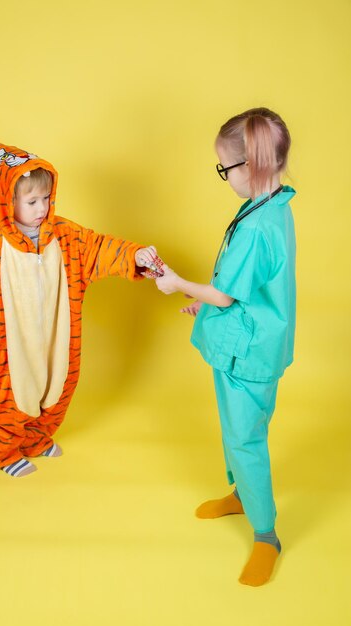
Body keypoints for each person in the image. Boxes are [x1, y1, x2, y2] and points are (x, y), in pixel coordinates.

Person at [0, 143, 158, 478]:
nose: (41, 208)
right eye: (31, 202)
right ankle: (0, 451)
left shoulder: (65, 236)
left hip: (57, 333)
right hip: (10, 342)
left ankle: (35, 439)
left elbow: (99, 249)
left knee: (56, 387)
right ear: (7, 202)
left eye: (46, 199)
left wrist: (134, 256)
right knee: (4, 396)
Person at [155, 108, 296, 586]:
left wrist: (178, 285)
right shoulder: (270, 204)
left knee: (244, 437)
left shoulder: (258, 225)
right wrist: (210, 309)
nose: (225, 177)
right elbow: (245, 285)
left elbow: (225, 292)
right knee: (235, 426)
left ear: (251, 166)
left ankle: (266, 534)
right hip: (246, 340)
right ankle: (241, 495)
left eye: (225, 168)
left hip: (249, 353)